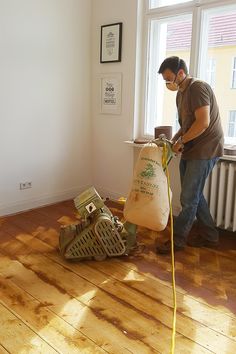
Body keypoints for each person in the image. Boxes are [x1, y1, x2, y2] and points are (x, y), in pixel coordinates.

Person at [156, 56, 224, 254]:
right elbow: (185, 125)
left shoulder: (197, 88)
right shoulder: (181, 93)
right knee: (193, 195)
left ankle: (177, 241)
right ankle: (211, 236)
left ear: (180, 73)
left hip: (205, 149)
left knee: (188, 197)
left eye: (169, 78)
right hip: (191, 147)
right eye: (165, 80)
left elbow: (202, 123)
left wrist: (181, 142)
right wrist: (174, 140)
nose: (168, 83)